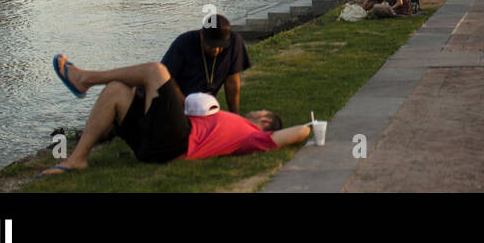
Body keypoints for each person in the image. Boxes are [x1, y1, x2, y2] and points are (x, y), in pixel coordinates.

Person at [41, 55, 308, 176]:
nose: (256, 110)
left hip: (177, 143)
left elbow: (298, 132)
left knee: (157, 71)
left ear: (265, 120)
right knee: (117, 89)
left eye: (261, 111)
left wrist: (313, 127)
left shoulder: (253, 135)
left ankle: (85, 79)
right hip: (154, 145)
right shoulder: (238, 129)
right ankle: (77, 159)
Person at [161, 15, 251, 113]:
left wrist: (235, 115)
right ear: (201, 35)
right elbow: (166, 77)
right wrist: (186, 106)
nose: (216, 50)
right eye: (211, 45)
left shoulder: (234, 41)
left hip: (206, 106)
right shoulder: (183, 43)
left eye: (221, 46)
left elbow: (232, 82)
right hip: (177, 102)